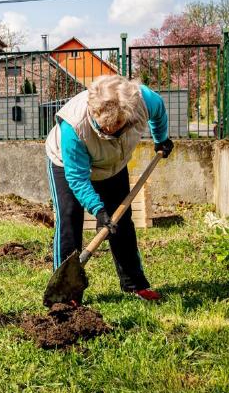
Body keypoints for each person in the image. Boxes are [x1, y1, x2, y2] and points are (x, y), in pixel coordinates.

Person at [45, 75, 174, 301]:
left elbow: (159, 111)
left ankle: (135, 285)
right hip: (67, 164)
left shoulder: (143, 100)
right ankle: (65, 293)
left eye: (117, 128)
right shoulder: (73, 127)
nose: (111, 132)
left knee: (122, 221)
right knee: (69, 217)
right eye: (105, 129)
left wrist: (161, 139)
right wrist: (98, 210)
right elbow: (77, 179)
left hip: (112, 165)